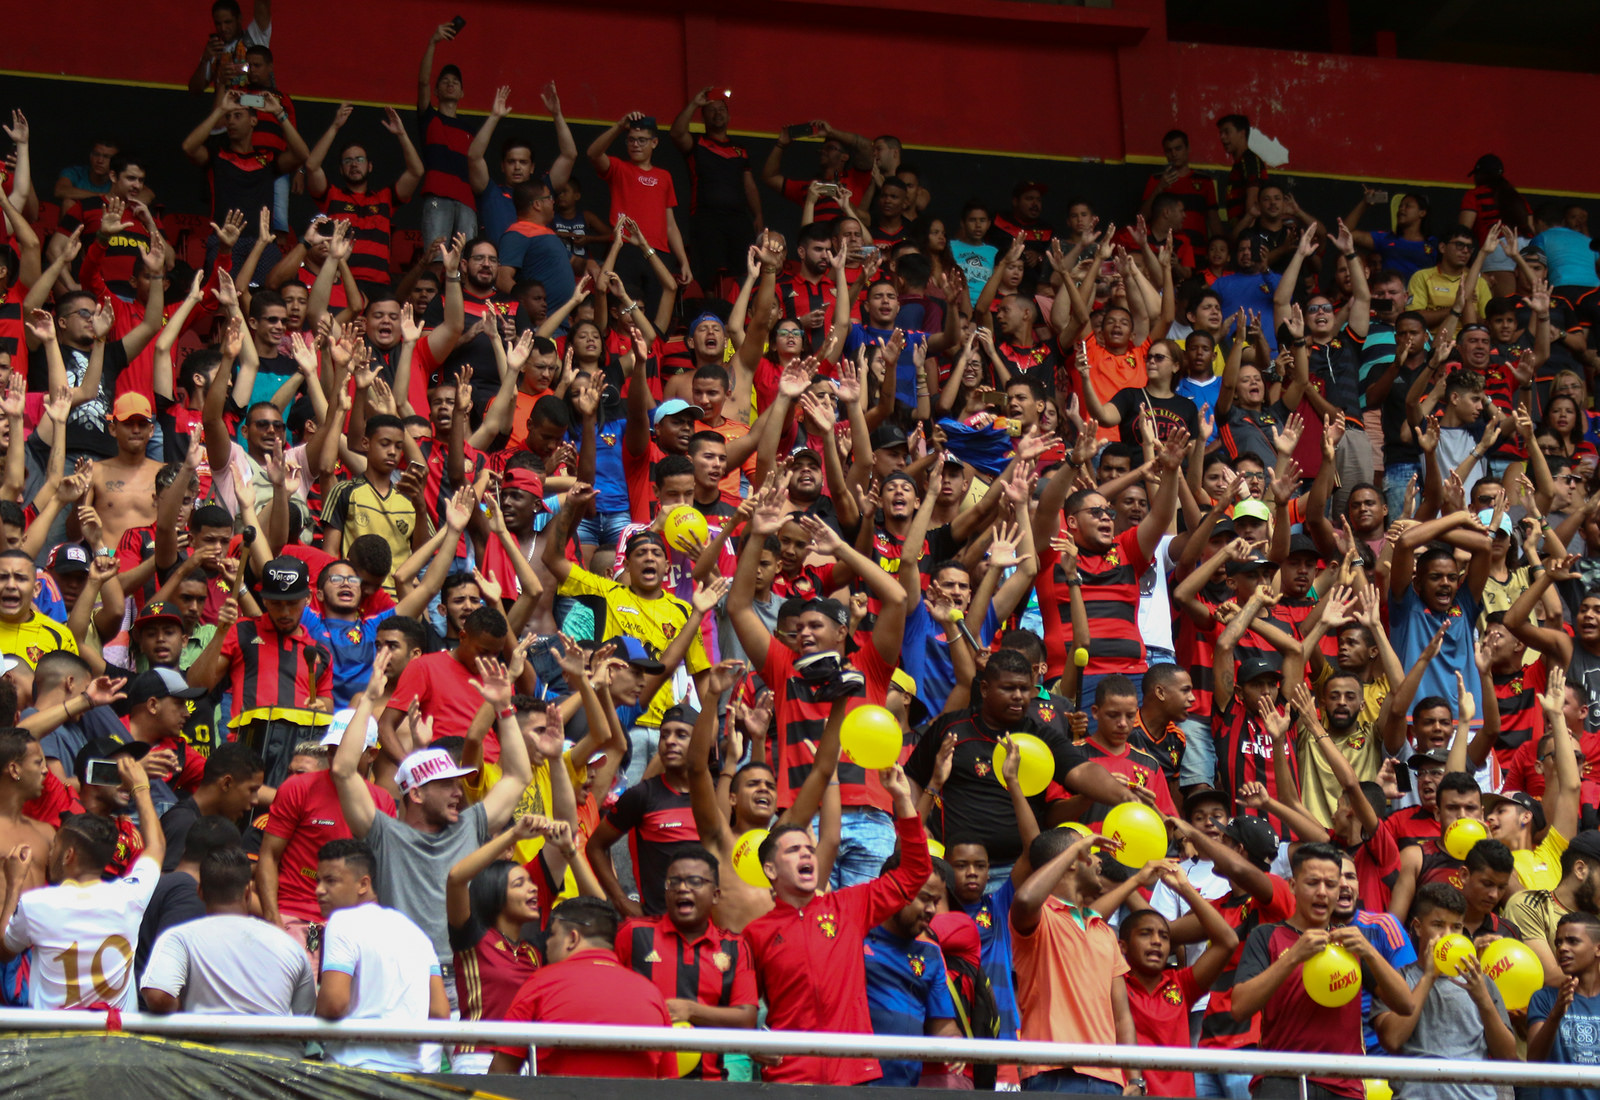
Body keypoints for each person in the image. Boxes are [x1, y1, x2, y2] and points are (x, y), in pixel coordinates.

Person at [332, 651, 531, 1011]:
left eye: (458, 784)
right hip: (401, 972)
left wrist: (504, 708)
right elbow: (344, 771)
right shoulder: (384, 833)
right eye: (446, 786)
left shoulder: (471, 824)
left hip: (465, 972)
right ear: (417, 793)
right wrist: (368, 702)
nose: (459, 793)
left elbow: (518, 776)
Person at [744, 765, 932, 1084]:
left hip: (855, 1073)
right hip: (790, 1077)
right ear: (771, 870)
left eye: (809, 849)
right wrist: (752, 1042)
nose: (807, 854)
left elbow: (915, 872)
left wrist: (902, 800)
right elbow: (744, 1005)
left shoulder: (849, 906)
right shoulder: (755, 932)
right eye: (793, 850)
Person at [1231, 842, 1415, 1100]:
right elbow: (1239, 1008)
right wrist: (1294, 956)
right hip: (1282, 1080)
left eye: (1330, 885)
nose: (1322, 892)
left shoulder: (1353, 942)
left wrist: (1370, 953)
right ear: (1293, 886)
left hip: (1346, 1086)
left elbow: (1406, 1005)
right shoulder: (1267, 936)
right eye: (1312, 883)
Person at [0, 754, 165, 1009]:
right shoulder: (131, 896)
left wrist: (14, 885)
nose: (50, 853)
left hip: (53, 1042)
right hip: (113, 1042)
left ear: (68, 855)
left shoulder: (36, 904)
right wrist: (141, 788)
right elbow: (156, 847)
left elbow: (5, 949)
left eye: (55, 846)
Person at [140, 847, 315, 1058]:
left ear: (200, 892)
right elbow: (304, 1018)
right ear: (248, 893)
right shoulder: (288, 944)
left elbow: (158, 996)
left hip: (209, 1065)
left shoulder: (180, 937)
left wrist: (184, 1014)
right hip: (278, 1067)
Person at [488, 896, 676, 1078]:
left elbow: (500, 1073)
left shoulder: (540, 983)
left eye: (552, 934)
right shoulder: (652, 994)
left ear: (572, 938)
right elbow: (669, 1083)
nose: (547, 943)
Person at [616, 846, 759, 1079]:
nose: (682, 888)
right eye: (674, 882)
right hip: (642, 1082)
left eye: (694, 881)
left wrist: (691, 1011)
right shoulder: (633, 934)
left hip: (709, 1084)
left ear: (715, 894)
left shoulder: (734, 947)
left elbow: (746, 1019)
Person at [315, 836, 449, 1073]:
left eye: (330, 881)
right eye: (318, 881)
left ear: (363, 884)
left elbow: (334, 1004)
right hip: (411, 1074)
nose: (319, 890)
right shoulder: (416, 933)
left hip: (353, 1071)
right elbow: (439, 1012)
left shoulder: (342, 921)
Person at [1371, 883, 1515, 1100]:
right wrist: (1429, 976)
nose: (1447, 935)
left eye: (1456, 927)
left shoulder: (1479, 980)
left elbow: (1507, 1056)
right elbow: (1392, 1040)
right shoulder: (1397, 979)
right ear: (1418, 927)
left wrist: (1482, 998)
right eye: (1438, 925)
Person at [1527, 911, 1600, 1098]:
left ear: (1598, 949)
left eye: (1572, 941)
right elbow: (1534, 1061)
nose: (1562, 948)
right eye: (1558, 942)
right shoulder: (1544, 998)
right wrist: (1556, 1014)